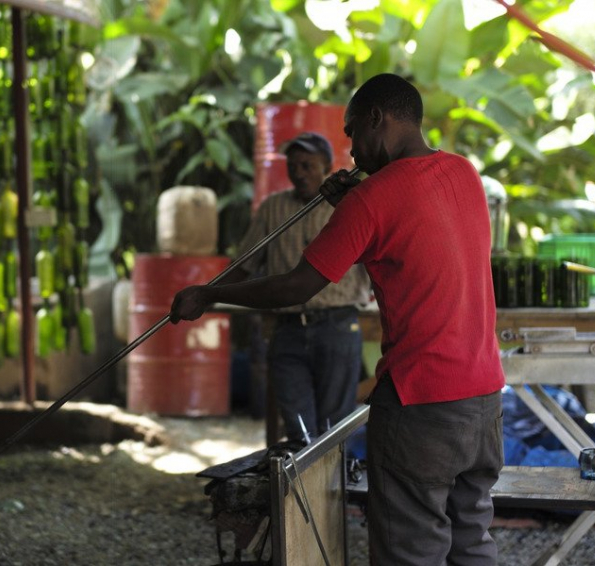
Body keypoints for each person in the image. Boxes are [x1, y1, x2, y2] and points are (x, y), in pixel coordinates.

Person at [170, 73, 505, 565]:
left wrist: (210, 294)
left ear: (378, 119)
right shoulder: (464, 173)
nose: (350, 151)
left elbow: (295, 285)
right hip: (484, 399)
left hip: (420, 402)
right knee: (470, 541)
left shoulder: (371, 200)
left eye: (352, 133)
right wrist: (356, 201)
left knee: (411, 550)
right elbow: (414, 218)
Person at [222, 131, 371, 443]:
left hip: (337, 325)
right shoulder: (273, 208)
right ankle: (300, 489)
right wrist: (208, 293)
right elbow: (244, 265)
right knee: (298, 430)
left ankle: (331, 491)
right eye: (293, 166)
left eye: (307, 165)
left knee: (334, 430)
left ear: (328, 166)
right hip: (287, 328)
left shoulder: (349, 205)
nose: (299, 173)